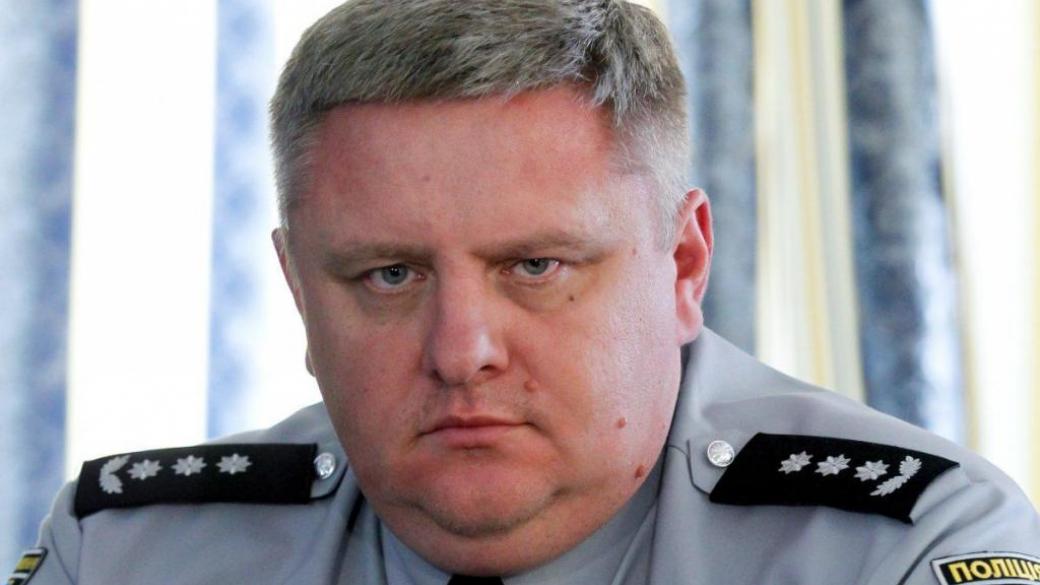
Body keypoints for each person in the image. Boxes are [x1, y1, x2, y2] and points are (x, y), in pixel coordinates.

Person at [11, 1, 1040, 584]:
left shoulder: (905, 549)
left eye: (534, 267)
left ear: (683, 266)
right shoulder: (126, 554)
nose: (461, 350)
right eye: (389, 275)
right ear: (297, 293)